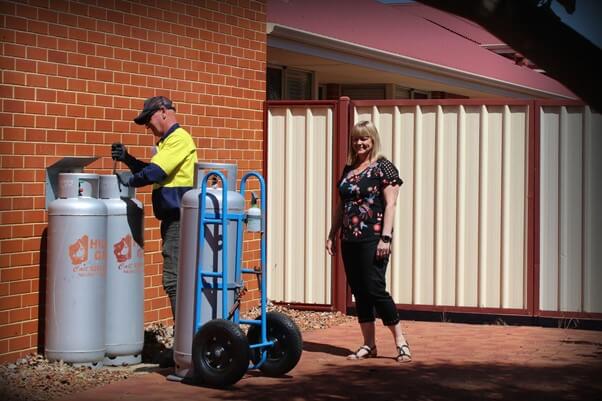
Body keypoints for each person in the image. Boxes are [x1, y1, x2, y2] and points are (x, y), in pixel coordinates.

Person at [326, 120, 411, 363]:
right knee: (360, 292)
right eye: (355, 139)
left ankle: (401, 342)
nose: (359, 143)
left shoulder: (383, 167)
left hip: (373, 238)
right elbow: (342, 205)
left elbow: (391, 203)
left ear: (373, 140)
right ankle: (369, 344)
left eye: (364, 138)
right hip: (349, 239)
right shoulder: (349, 169)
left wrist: (386, 237)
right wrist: (333, 233)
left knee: (375, 289)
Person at [111, 95, 197, 320]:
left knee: (173, 279)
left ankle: (184, 341)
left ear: (163, 112)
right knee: (177, 278)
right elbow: (152, 170)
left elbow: (154, 173)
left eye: (148, 119)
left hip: (179, 220)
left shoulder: (179, 138)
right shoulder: (167, 142)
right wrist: (127, 159)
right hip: (172, 220)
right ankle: (186, 338)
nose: (147, 126)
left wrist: (128, 181)